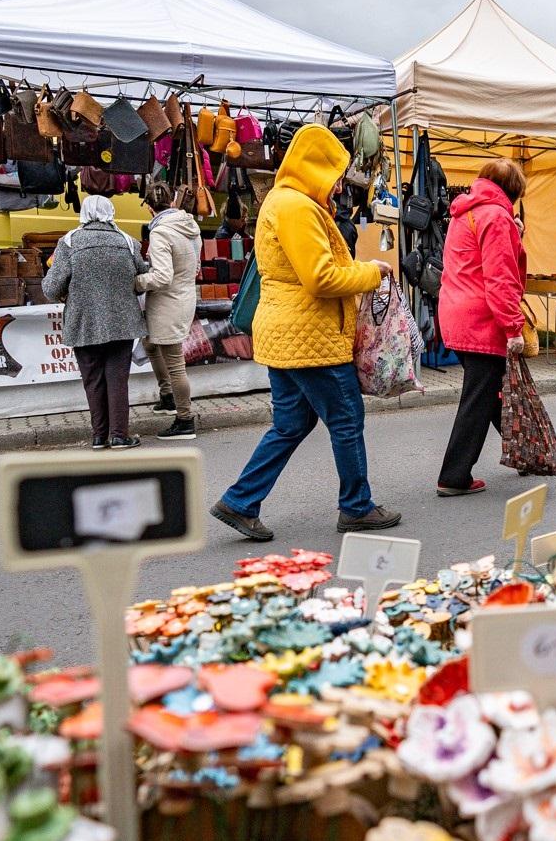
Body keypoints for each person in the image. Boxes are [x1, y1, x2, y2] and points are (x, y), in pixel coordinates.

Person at [212, 124, 399, 540]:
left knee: (290, 424)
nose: (338, 186)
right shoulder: (297, 207)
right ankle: (357, 507)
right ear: (315, 168)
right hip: (310, 338)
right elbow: (319, 278)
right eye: (335, 175)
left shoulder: (284, 200)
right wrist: (371, 273)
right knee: (346, 419)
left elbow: (308, 271)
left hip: (288, 334)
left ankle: (240, 501)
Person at [435, 161, 529, 496]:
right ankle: (453, 475)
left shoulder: (464, 213)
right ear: (513, 191)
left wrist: (514, 234)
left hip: (455, 311)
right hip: (482, 319)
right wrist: (513, 327)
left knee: (488, 391)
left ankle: (524, 453)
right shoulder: (496, 216)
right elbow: (500, 278)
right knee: (479, 396)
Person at [43, 194, 150, 450]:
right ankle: (119, 435)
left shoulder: (69, 242)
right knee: (117, 379)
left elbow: (51, 288)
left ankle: (99, 436)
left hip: (84, 321)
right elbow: (143, 276)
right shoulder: (128, 242)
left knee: (92, 379)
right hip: (121, 321)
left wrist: (67, 292)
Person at [138, 181, 201, 441]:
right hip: (184, 297)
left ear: (149, 208)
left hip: (168, 302)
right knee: (150, 344)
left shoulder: (161, 232)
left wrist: (137, 282)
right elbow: (195, 267)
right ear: (172, 202)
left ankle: (184, 419)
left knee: (175, 362)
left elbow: (162, 276)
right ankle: (167, 396)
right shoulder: (189, 226)